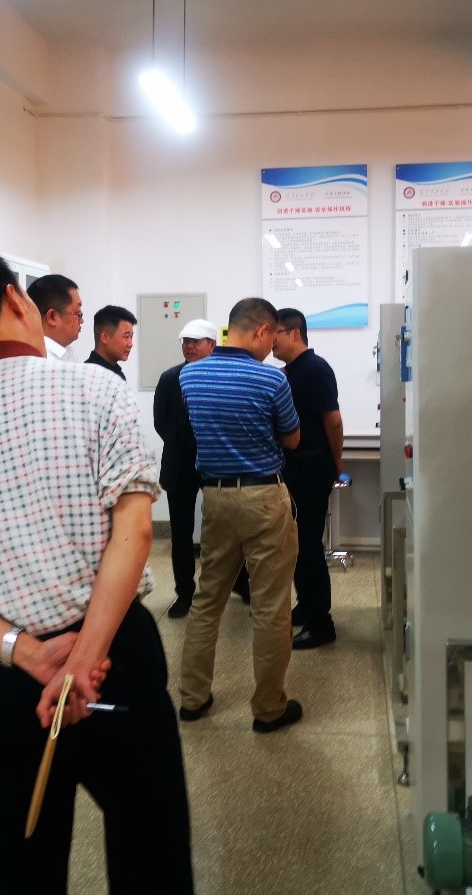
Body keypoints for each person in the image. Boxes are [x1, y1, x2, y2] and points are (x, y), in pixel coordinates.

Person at [0, 248, 193, 894]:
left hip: (2, 677)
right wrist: (86, 656)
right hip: (114, 659)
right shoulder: (96, 390)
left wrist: (28, 653)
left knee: (21, 866)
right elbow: (135, 531)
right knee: (150, 849)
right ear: (15, 299)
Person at [178, 297, 303, 733]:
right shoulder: (272, 379)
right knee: (270, 607)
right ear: (262, 330)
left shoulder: (190, 375)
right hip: (263, 497)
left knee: (207, 598)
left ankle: (192, 698)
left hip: (214, 497)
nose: (272, 347)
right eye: (272, 337)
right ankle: (268, 708)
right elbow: (292, 439)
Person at [271, 307, 344, 649]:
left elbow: (334, 421)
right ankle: (306, 605)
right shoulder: (288, 372)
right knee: (297, 545)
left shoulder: (316, 368)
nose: (271, 340)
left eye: (276, 333)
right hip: (293, 468)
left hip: (312, 466)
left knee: (310, 546)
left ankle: (322, 622)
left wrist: (336, 460)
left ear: (294, 333)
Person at [153, 318, 218, 618]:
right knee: (181, 533)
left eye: (196, 341)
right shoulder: (170, 378)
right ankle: (184, 593)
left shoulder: (220, 376)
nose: (189, 347)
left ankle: (238, 583)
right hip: (180, 464)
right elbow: (161, 422)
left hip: (217, 463)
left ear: (212, 345)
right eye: (185, 342)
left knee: (227, 531)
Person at [27, 273, 83, 363]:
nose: (82, 321)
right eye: (78, 314)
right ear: (52, 317)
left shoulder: (66, 354)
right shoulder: (43, 362)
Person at [85, 305, 136, 378]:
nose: (130, 344)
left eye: (131, 337)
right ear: (105, 337)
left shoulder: (117, 374)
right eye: (126, 336)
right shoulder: (88, 375)